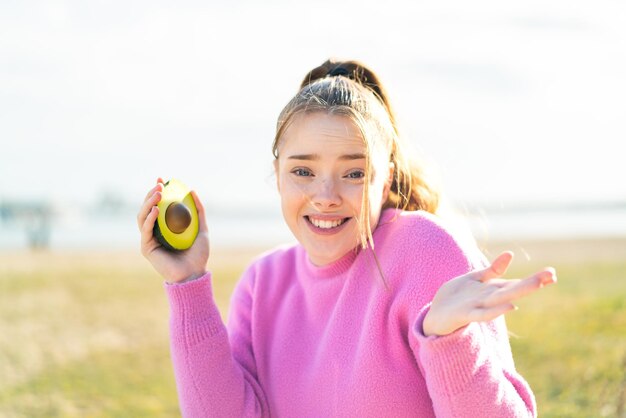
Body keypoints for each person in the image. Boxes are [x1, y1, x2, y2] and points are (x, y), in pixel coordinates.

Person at [137, 59, 557, 417]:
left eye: (354, 173)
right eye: (303, 171)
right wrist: (187, 284)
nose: (325, 197)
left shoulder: (426, 249)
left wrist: (450, 340)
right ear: (278, 174)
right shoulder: (262, 282)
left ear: (385, 176)